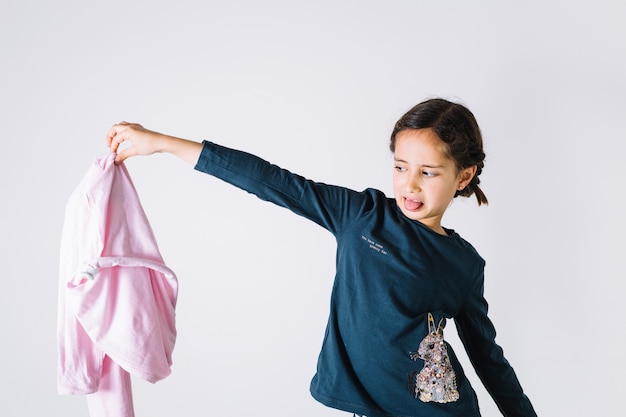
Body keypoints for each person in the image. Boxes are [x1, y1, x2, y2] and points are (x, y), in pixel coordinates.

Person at [106, 98, 537, 417]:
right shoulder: (361, 216)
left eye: (428, 173)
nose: (410, 185)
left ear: (464, 176)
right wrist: (161, 143)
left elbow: (487, 355)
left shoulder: (464, 263)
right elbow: (272, 181)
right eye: (401, 166)